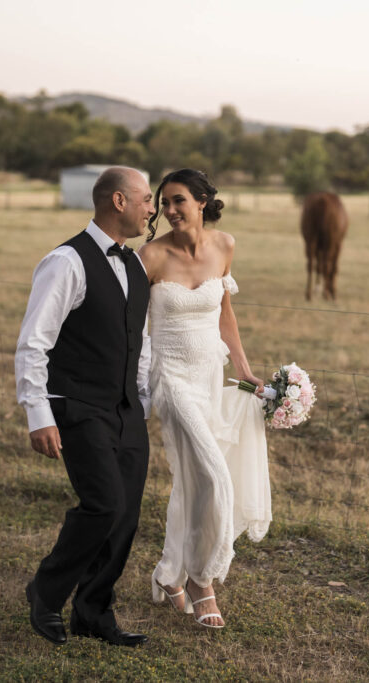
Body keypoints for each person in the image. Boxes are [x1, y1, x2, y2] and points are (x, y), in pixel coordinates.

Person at [14, 166, 154, 647]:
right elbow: (34, 344)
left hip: (126, 410)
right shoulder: (65, 262)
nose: (151, 208)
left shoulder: (135, 265)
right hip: (78, 405)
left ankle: (93, 612)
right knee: (103, 504)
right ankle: (45, 592)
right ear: (119, 201)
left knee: (126, 515)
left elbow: (140, 338)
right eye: (146, 199)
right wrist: (39, 414)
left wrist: (141, 400)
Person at [139, 168, 272, 629]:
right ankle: (202, 580)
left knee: (191, 481)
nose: (170, 210)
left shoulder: (224, 246)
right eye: (164, 203)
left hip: (208, 376)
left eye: (178, 201)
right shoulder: (151, 256)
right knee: (214, 476)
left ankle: (167, 574)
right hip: (171, 379)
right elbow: (133, 330)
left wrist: (244, 368)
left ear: (201, 201)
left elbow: (225, 314)